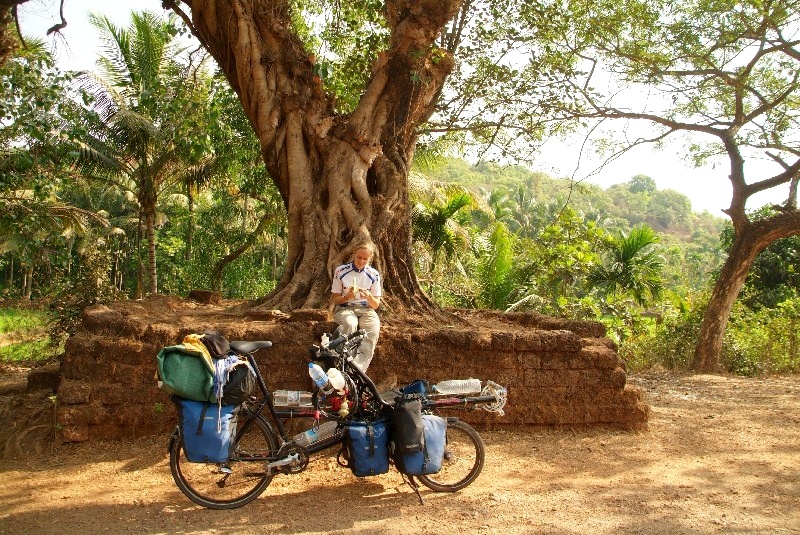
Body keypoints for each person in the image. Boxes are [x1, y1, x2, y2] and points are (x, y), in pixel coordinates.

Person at [331, 244, 381, 372]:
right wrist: (347, 297)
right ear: (354, 255)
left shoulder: (373, 275)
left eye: (365, 259)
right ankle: (343, 366)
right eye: (359, 257)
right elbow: (336, 299)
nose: (361, 261)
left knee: (372, 330)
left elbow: (376, 304)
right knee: (350, 324)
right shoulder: (341, 271)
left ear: (370, 259)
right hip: (345, 308)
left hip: (366, 309)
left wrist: (369, 297)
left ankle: (357, 370)